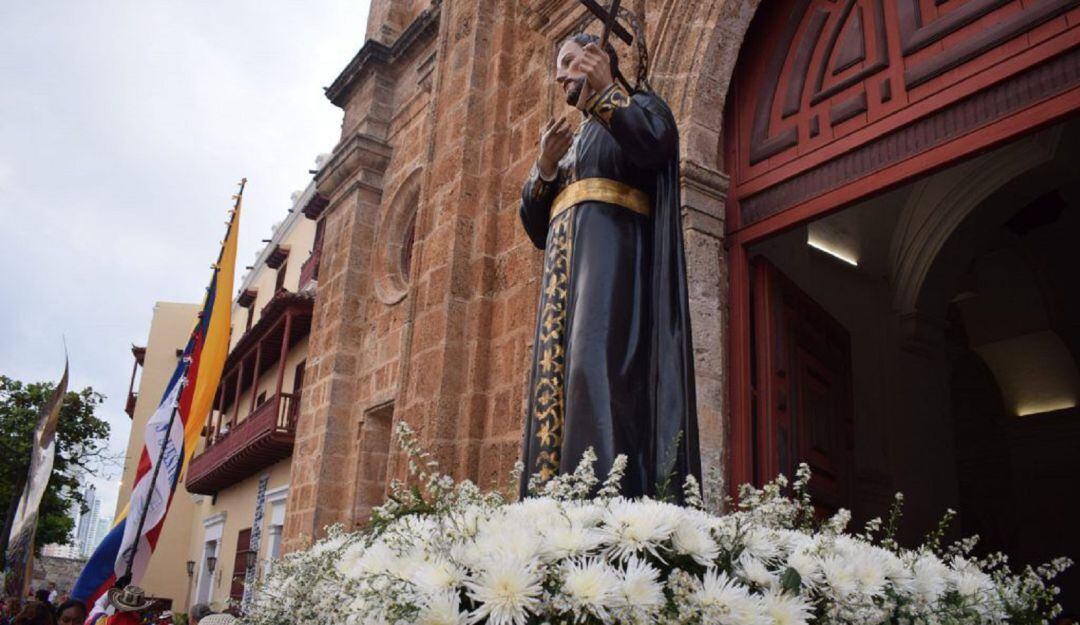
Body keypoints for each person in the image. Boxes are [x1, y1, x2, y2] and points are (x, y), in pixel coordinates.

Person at [518, 30, 700, 499]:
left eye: (570, 62)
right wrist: (544, 167)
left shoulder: (637, 105)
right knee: (557, 386)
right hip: (563, 288)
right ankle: (553, 503)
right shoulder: (573, 144)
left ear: (599, 60)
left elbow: (656, 144)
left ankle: (608, 501)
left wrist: (608, 94)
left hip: (615, 274)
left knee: (597, 374)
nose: (559, 76)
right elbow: (537, 229)